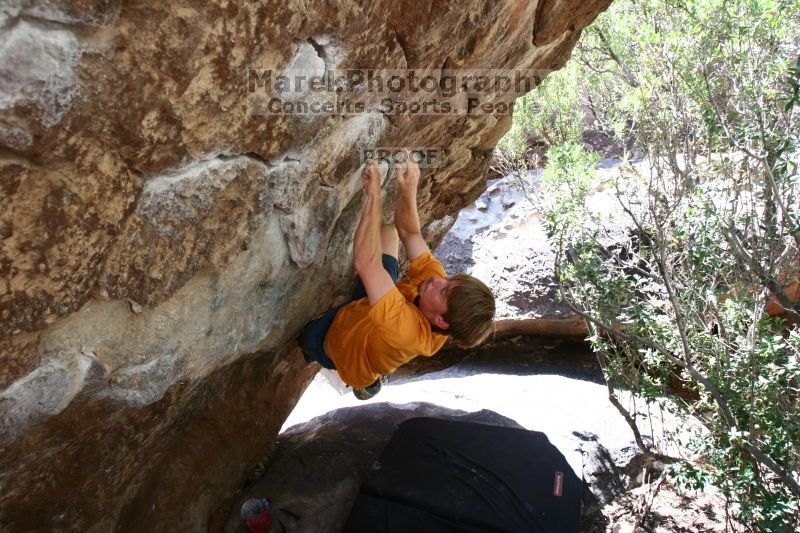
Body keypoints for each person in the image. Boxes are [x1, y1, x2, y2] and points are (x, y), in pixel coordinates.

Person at [300, 152, 495, 399]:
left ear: (441, 321)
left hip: (343, 344)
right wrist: (409, 189)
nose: (438, 279)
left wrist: (373, 196)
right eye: (449, 280)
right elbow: (409, 232)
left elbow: (366, 262)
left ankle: (365, 383)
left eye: (443, 290)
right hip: (376, 308)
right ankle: (373, 338)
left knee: (309, 338)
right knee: (389, 233)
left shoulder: (407, 332)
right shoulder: (442, 301)